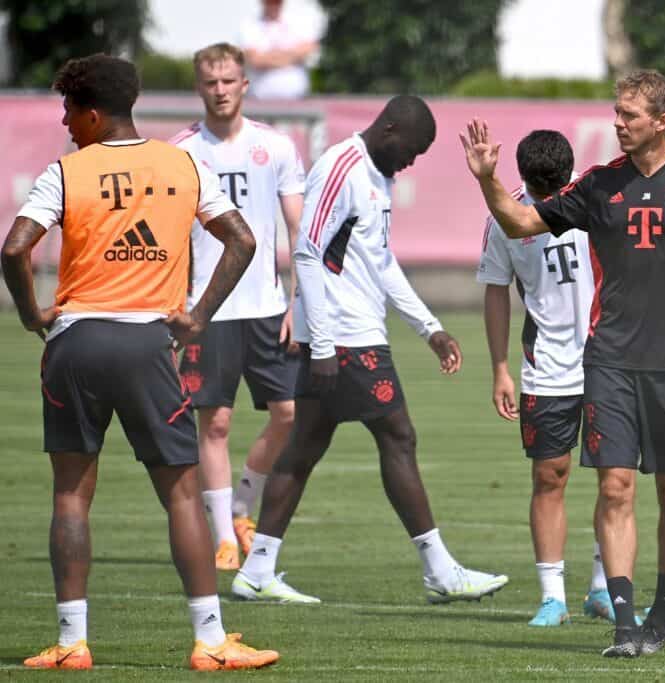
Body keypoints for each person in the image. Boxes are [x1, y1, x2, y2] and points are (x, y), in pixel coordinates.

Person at [462, 70, 665, 657]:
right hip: (609, 361)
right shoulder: (599, 186)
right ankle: (625, 623)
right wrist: (487, 180)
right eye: (616, 112)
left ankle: (661, 614)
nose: (617, 122)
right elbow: (522, 222)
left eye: (629, 114)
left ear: (662, 121)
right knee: (616, 486)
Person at [1, 54, 277, 671]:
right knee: (181, 496)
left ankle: (73, 642)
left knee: (71, 496)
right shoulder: (183, 162)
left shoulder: (67, 171)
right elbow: (244, 239)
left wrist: (30, 315)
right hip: (147, 343)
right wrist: (198, 314)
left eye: (70, 110)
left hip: (74, 343)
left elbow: (15, 247)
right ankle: (210, 642)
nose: (65, 122)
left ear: (94, 113)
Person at [232, 95, 508, 604]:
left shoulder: (380, 177)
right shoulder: (342, 166)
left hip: (349, 335)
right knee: (398, 436)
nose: (412, 160)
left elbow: (381, 264)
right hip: (345, 338)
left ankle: (256, 569)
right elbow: (307, 253)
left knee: (303, 450)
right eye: (412, 149)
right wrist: (320, 343)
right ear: (389, 130)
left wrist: (430, 329)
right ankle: (439, 570)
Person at [171, 42, 305, 571]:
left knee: (288, 414)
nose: (220, 91)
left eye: (229, 81)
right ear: (199, 86)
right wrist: (177, 306)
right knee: (217, 423)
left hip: (267, 305)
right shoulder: (180, 151)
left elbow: (300, 233)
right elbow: (171, 235)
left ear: (244, 85)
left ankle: (242, 506)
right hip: (207, 308)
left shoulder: (275, 146)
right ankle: (224, 535)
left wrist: (300, 302)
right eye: (210, 82)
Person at [477, 129, 611, 627]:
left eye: (555, 190)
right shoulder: (506, 215)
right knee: (549, 476)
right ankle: (552, 597)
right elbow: (495, 288)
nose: (548, 201)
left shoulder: (599, 199)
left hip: (609, 362)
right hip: (547, 367)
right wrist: (499, 368)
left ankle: (603, 588)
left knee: (615, 478)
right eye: (539, 192)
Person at [239, 0, 319, 100]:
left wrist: (269, 57)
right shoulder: (250, 24)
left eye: (277, 2)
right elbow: (254, 59)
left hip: (297, 99)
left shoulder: (299, 21)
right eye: (270, 2)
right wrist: (291, 57)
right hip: (259, 100)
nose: (274, 5)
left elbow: (308, 49)